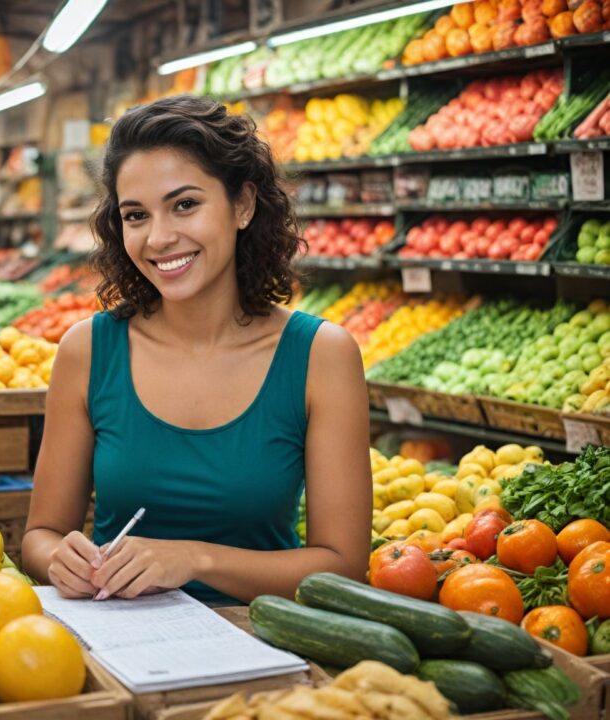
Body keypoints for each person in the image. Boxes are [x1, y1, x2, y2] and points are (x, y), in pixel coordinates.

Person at [21, 95, 372, 606]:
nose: (160, 238)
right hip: (122, 649)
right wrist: (59, 559)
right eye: (136, 215)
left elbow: (342, 567)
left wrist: (193, 558)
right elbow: (40, 534)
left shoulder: (321, 355)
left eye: (184, 205)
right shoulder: (88, 351)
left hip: (269, 650)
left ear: (243, 205)